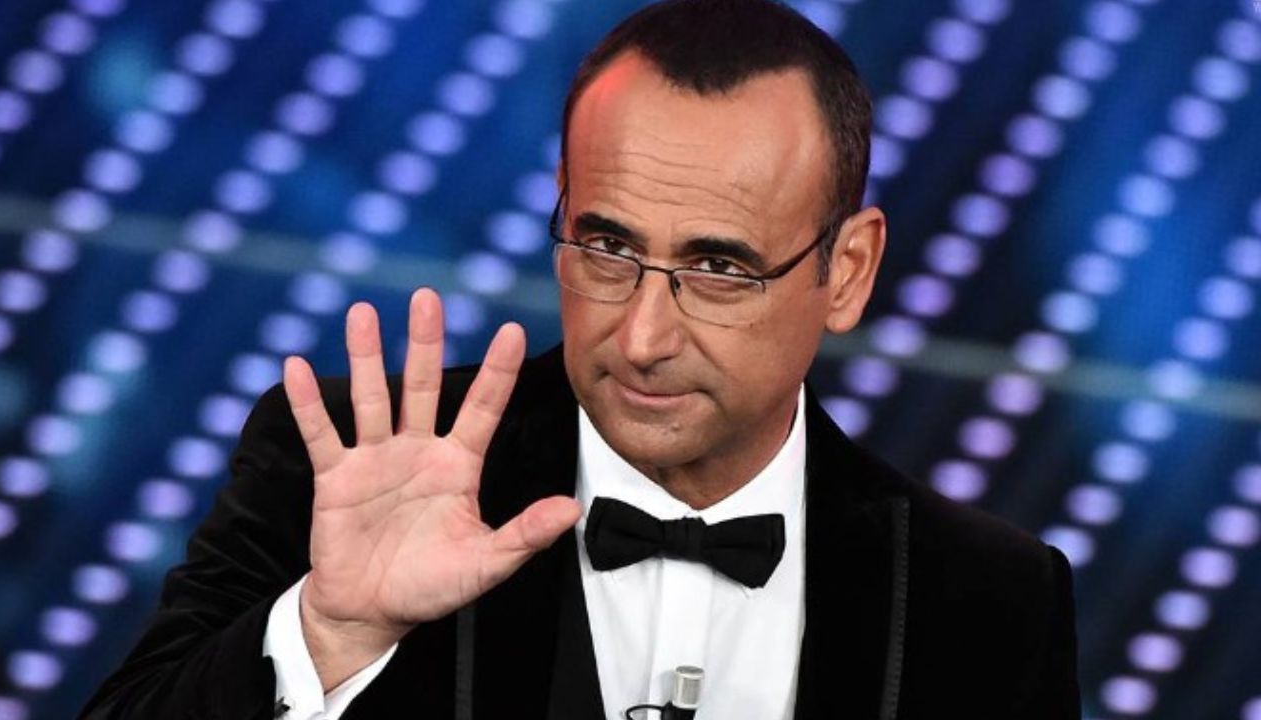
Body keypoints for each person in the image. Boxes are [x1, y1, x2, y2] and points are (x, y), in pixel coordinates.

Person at [81, 1, 1080, 718]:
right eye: (606, 247)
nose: (641, 337)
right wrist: (329, 632)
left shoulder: (989, 599)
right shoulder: (344, 468)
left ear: (848, 270)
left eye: (717, 268)